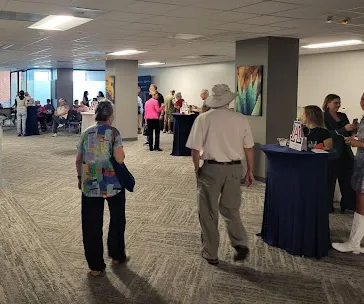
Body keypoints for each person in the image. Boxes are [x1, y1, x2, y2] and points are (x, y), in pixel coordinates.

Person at [186, 84, 255, 265]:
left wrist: (196, 169)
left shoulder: (203, 119)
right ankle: (240, 243)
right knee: (231, 208)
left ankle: (211, 252)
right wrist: (250, 171)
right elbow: (249, 148)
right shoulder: (240, 119)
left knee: (208, 211)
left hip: (211, 168)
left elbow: (194, 149)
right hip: (234, 169)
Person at [75, 101, 127, 277]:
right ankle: (117, 254)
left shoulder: (86, 132)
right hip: (113, 184)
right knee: (117, 219)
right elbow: (119, 159)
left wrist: (80, 178)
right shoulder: (114, 133)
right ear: (110, 116)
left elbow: (78, 159)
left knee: (91, 224)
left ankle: (95, 265)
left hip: (90, 183)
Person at [332, 93, 364, 254]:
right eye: (362, 99)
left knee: (361, 205)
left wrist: (357, 142)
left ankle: (354, 243)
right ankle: (356, 241)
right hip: (360, 163)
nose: (363, 102)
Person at [323, 94, 356, 213]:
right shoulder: (324, 117)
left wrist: (352, 132)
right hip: (332, 152)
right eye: (335, 103)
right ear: (328, 103)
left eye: (339, 103)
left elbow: (347, 133)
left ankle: (347, 204)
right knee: (329, 181)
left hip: (345, 152)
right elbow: (326, 134)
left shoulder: (342, 116)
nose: (338, 105)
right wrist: (343, 130)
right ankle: (327, 206)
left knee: (347, 180)